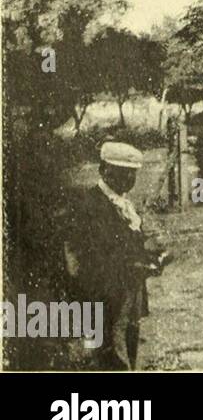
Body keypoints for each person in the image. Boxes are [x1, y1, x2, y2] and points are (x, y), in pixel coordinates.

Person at [61, 142, 168, 370]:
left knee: (130, 339)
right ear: (104, 170)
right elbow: (92, 254)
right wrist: (136, 263)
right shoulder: (89, 204)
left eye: (132, 174)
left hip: (131, 287)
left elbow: (129, 243)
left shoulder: (124, 203)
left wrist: (152, 256)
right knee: (112, 348)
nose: (127, 179)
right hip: (107, 291)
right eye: (121, 173)